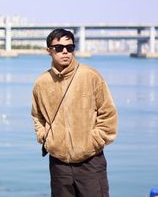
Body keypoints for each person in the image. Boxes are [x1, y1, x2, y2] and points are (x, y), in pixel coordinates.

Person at [31, 28, 118, 197]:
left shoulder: (91, 76)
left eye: (70, 48)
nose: (65, 52)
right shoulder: (41, 83)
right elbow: (37, 115)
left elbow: (108, 114)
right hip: (59, 163)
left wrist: (93, 142)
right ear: (49, 51)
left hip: (91, 162)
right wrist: (46, 137)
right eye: (59, 48)